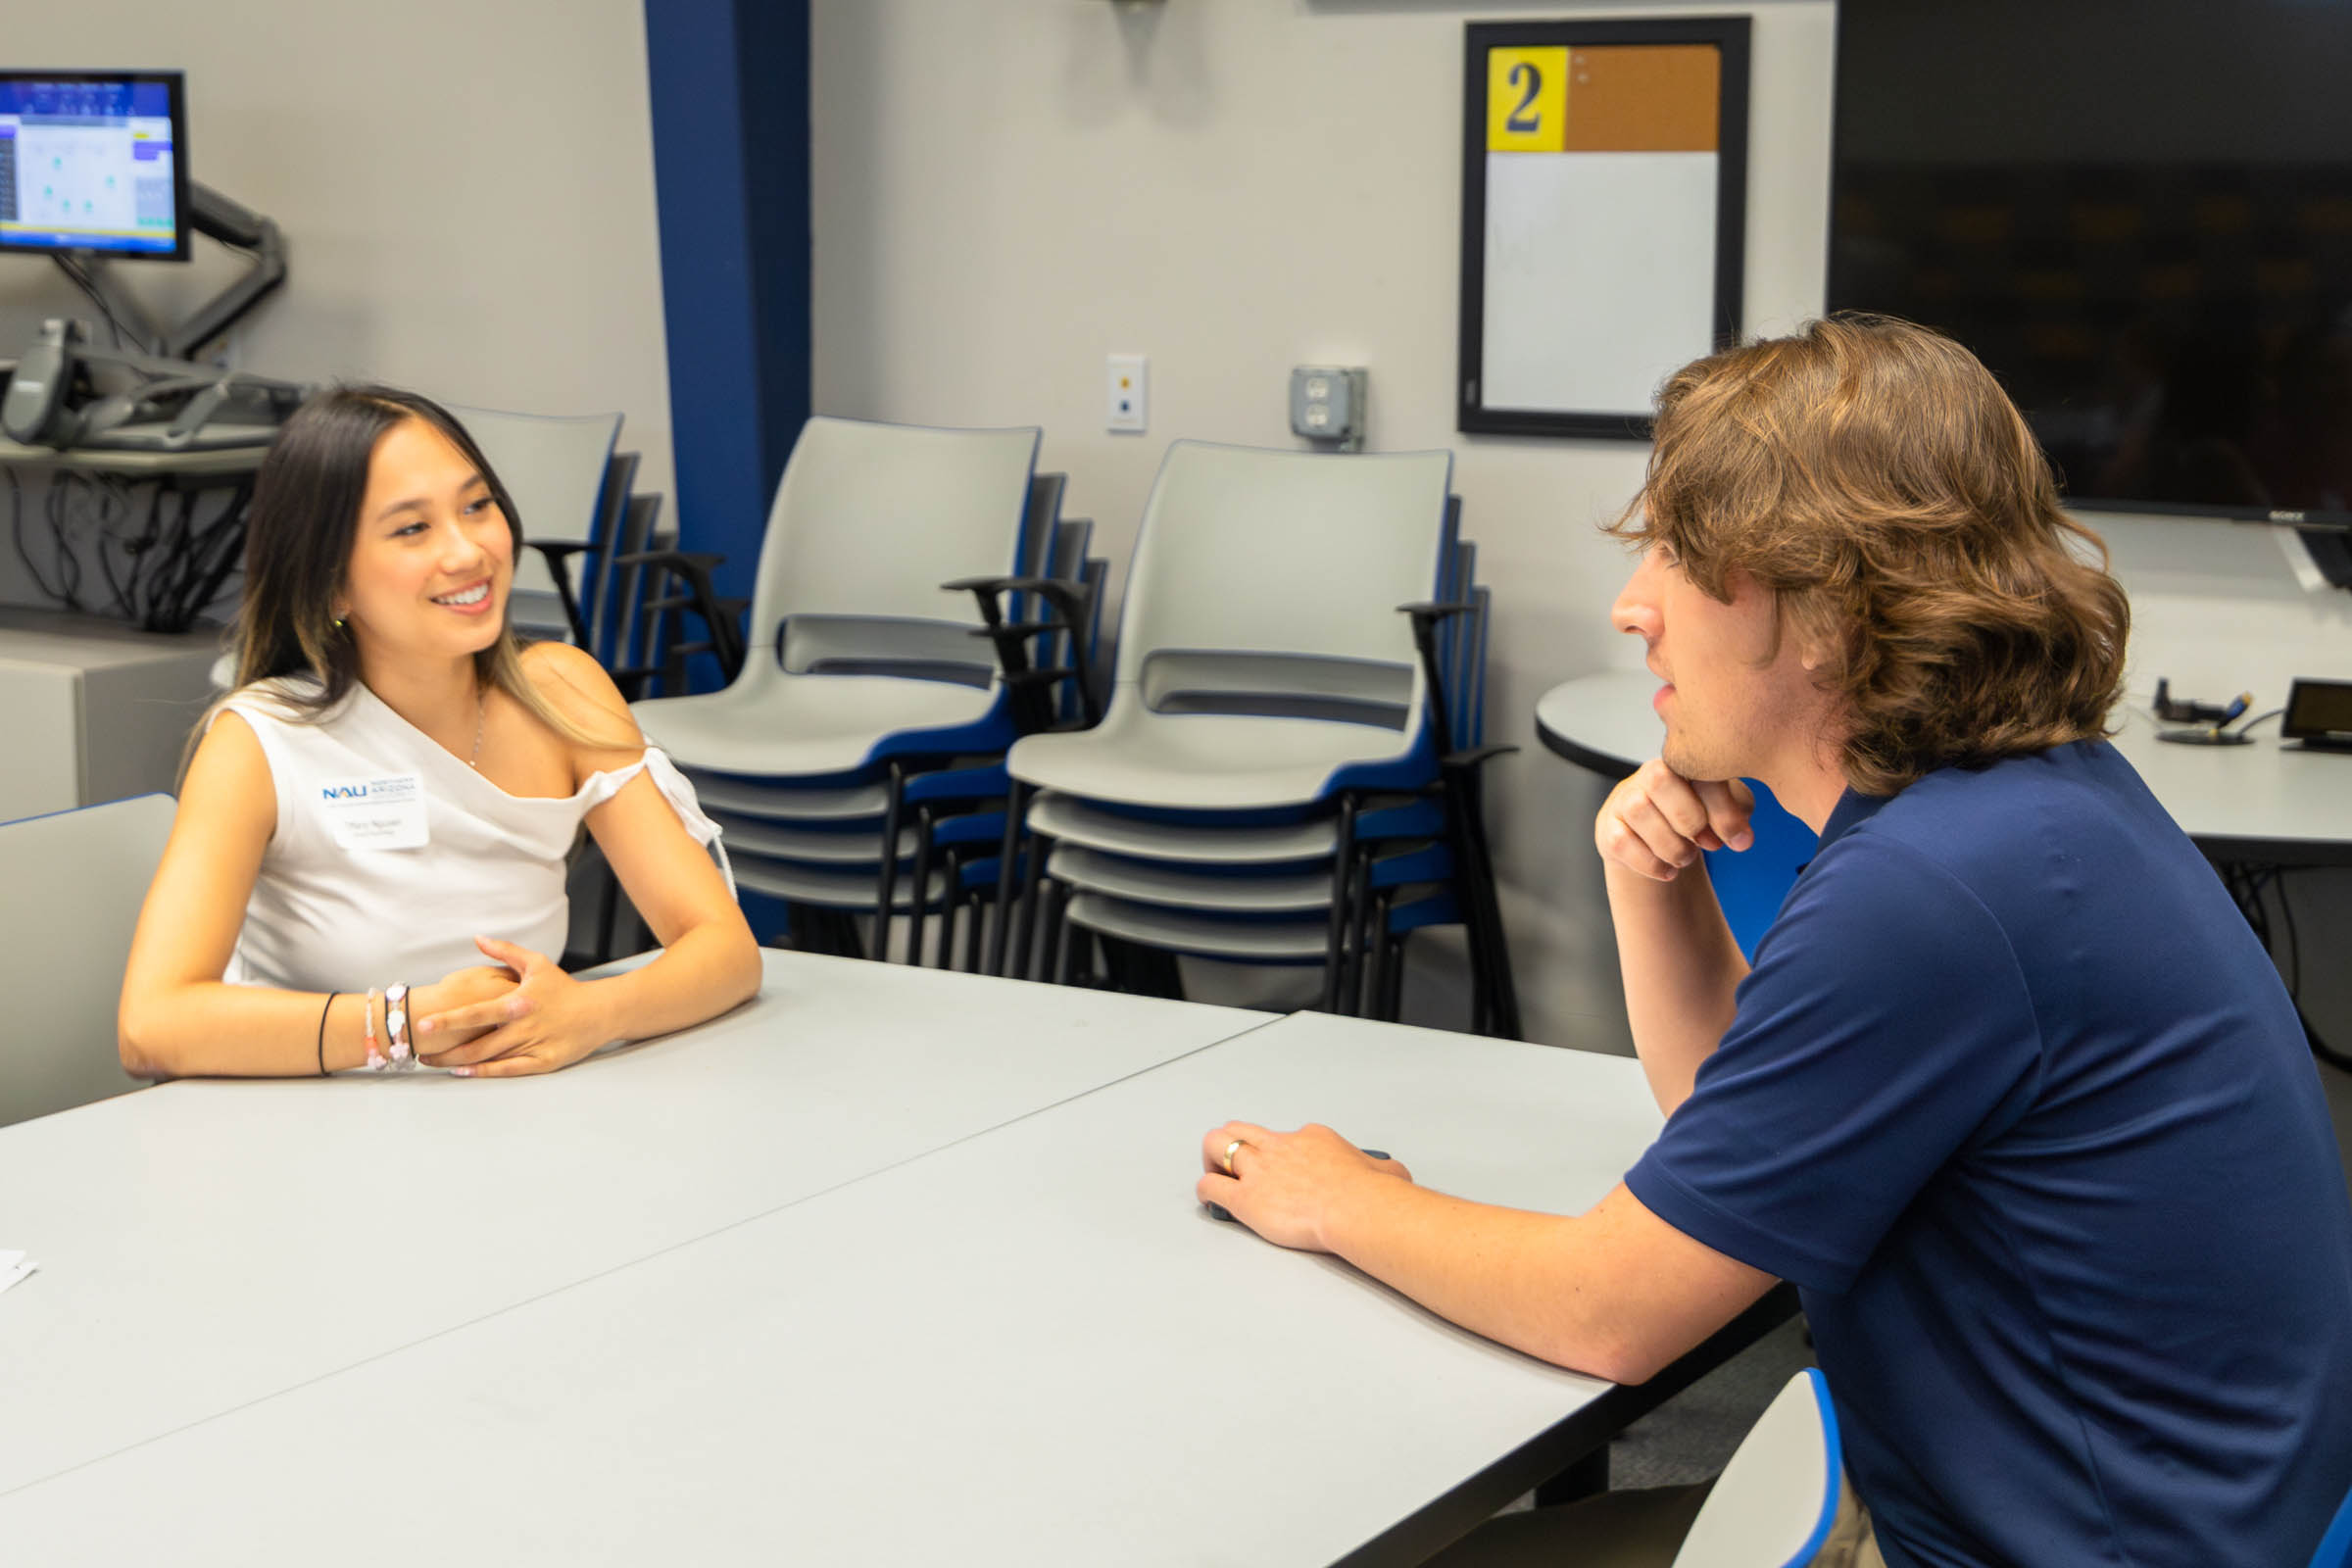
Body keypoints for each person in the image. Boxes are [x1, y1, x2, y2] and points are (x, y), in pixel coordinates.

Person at [1195, 317, 2352, 1567]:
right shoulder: (2025, 807)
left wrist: (1349, 1199)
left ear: (1822, 608)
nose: (1633, 607)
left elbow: (1612, 1312)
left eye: (1678, 557)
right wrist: (1652, 888)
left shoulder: (1931, 891)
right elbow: (1743, 1140)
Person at [119, 385, 761, 1080]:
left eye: (477, 506)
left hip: (503, 1114)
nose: (468, 551)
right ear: (331, 582)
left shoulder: (562, 691)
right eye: (411, 529)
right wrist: (404, 1024)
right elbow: (153, 1024)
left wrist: (594, 1013)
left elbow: (724, 950)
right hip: (305, 1125)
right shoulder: (260, 741)